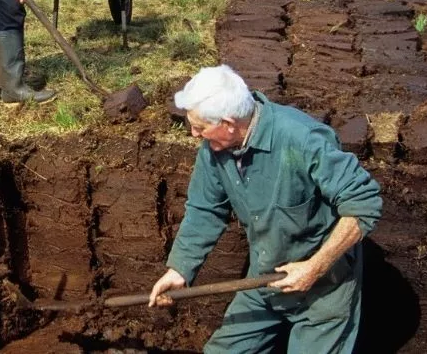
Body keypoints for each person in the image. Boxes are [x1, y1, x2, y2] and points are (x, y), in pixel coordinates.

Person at [148, 65, 382, 353]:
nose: (194, 134)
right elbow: (204, 209)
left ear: (229, 123)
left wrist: (314, 267)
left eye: (200, 127)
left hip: (324, 289)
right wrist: (179, 270)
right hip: (264, 278)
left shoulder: (301, 139)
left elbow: (364, 203)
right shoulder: (214, 151)